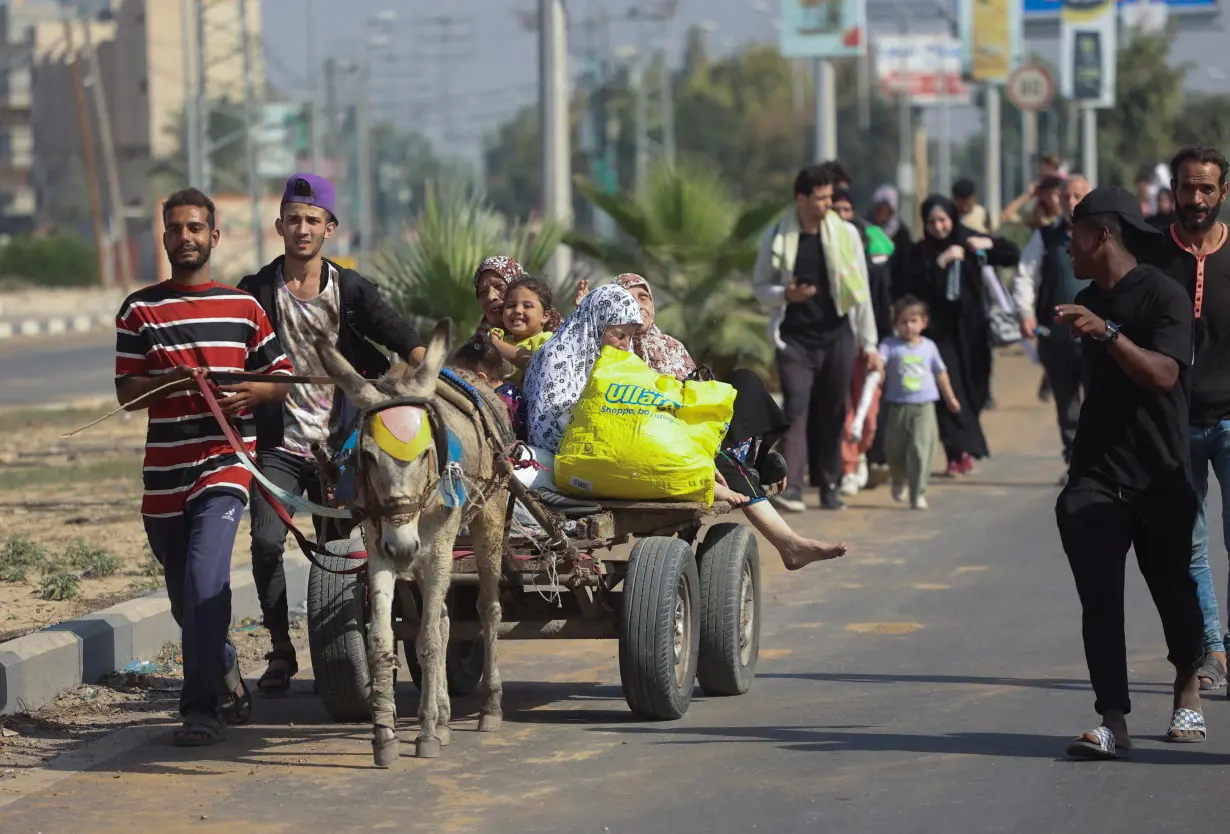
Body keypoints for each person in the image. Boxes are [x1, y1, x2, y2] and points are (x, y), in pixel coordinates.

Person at [116, 188, 294, 745]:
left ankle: (199, 710)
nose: (186, 237)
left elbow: (281, 374)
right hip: (164, 474)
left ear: (214, 237)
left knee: (206, 580)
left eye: (196, 228)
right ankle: (223, 670)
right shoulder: (138, 308)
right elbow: (127, 393)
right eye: (176, 229)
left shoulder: (243, 308)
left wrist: (257, 391)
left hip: (223, 465)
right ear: (164, 236)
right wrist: (173, 379)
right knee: (182, 598)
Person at [236, 173, 425, 696]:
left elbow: (399, 335)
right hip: (279, 445)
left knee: (342, 554)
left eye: (312, 220)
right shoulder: (252, 291)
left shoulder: (351, 288)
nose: (302, 228)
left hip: (344, 446)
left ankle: (347, 650)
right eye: (293, 219)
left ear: (329, 229)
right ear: (279, 226)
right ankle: (279, 649)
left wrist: (425, 371)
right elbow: (229, 354)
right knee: (266, 542)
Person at [525, 282, 847, 570]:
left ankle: (745, 474)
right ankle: (780, 532)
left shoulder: (635, 351)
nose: (624, 343)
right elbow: (564, 426)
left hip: (634, 440)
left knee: (741, 390)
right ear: (596, 319)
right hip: (590, 457)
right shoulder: (565, 356)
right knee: (709, 456)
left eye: (643, 298)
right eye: (618, 332)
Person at [1055, 186, 1206, 759]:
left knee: (1174, 593)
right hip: (1098, 473)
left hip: (1162, 473)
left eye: (1075, 234)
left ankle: (1187, 685)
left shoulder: (1164, 297)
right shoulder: (1086, 297)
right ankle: (1112, 720)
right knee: (1099, 594)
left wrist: (1108, 333)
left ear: (1103, 234)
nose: (1068, 246)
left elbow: (1164, 376)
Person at [753, 165, 882, 512]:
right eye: (822, 197)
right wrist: (786, 295)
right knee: (795, 409)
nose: (829, 203)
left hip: (838, 336)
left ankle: (829, 484)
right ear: (802, 198)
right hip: (794, 340)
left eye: (830, 196)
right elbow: (760, 288)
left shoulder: (845, 236)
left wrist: (869, 345)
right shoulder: (777, 236)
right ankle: (792, 488)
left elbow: (861, 292)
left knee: (833, 409)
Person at [1150, 145, 1230, 693]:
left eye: (1206, 188)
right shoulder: (1154, 256)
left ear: (1222, 192)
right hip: (1176, 423)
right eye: (1186, 187)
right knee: (1190, 544)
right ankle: (1213, 652)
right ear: (1173, 191)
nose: (1195, 198)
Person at [905, 195, 1020, 475]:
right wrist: (940, 263)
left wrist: (988, 243)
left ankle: (965, 446)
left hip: (973, 330)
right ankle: (957, 453)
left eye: (943, 220)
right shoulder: (922, 252)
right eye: (932, 222)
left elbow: (1010, 254)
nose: (939, 227)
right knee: (950, 391)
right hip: (940, 334)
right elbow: (913, 283)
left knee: (976, 390)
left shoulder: (968, 239)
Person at [1012, 175, 1092, 483]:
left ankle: (1099, 463)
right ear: (1057, 200)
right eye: (1065, 196)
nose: (1071, 202)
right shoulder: (1044, 238)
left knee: (1101, 402)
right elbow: (1025, 276)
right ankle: (1074, 462)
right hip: (1057, 338)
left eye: (1077, 196)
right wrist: (1025, 313)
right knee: (1067, 404)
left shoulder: (1106, 233)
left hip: (1098, 338)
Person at [878, 296, 961, 510]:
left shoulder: (929, 347)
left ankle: (918, 493)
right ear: (896, 324)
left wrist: (950, 398)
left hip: (924, 407)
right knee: (894, 450)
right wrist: (876, 366)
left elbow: (941, 373)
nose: (908, 326)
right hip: (897, 407)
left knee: (920, 450)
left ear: (923, 322)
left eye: (913, 321)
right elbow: (880, 361)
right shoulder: (890, 345)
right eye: (903, 322)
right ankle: (897, 478)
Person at [491, 275, 560, 388]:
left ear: (545, 315)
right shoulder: (499, 336)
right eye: (511, 305)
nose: (517, 310)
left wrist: (498, 345)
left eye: (527, 306)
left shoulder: (548, 341)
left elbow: (537, 364)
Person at [866, 183, 913, 300]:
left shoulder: (901, 232)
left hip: (893, 293)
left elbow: (904, 266)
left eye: (886, 208)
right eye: (879, 207)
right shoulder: (865, 228)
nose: (882, 211)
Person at [475, 255, 529, 331]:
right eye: (483, 292)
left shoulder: (548, 340)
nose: (490, 297)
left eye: (500, 287)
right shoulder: (481, 341)